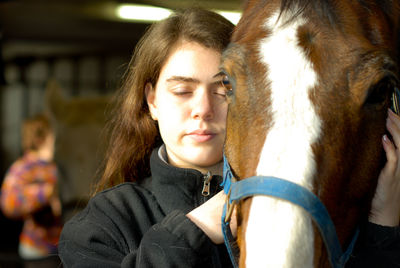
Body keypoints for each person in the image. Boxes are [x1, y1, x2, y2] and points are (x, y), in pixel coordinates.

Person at [58, 8, 400, 267]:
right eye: (182, 91)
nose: (203, 109)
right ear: (152, 101)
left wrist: (382, 228)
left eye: (224, 90)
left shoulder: (308, 210)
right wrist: (197, 226)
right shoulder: (100, 226)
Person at [1, 114, 63, 268]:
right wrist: (45, 193)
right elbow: (8, 202)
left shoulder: (57, 166)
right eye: (53, 136)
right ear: (41, 139)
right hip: (37, 250)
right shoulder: (24, 167)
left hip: (62, 247)